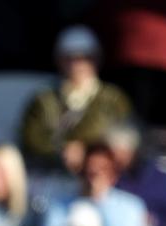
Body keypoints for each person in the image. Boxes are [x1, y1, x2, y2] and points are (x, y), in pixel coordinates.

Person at [19, 26, 132, 172]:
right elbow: (31, 140)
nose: (78, 64)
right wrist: (62, 150)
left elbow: (130, 135)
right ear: (59, 60)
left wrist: (89, 150)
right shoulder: (43, 100)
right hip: (54, 175)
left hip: (102, 177)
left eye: (85, 57)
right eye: (70, 58)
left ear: (97, 60)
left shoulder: (113, 99)